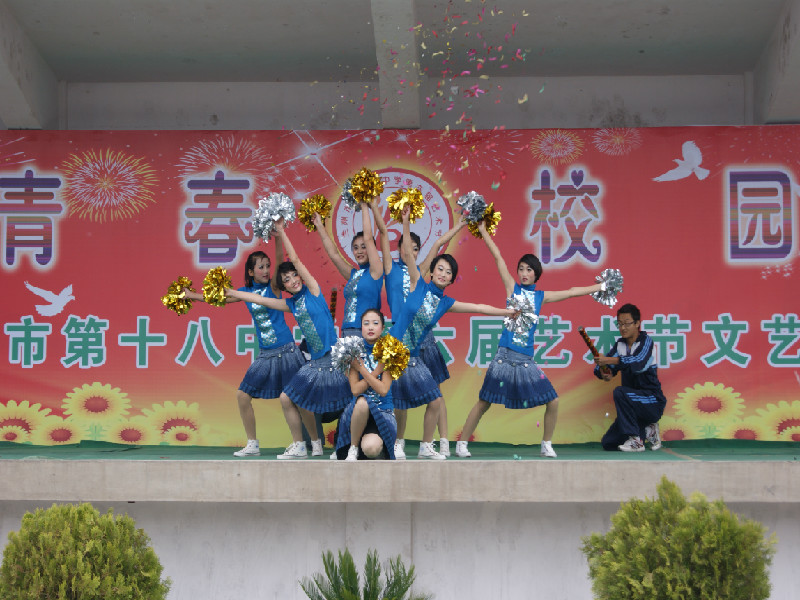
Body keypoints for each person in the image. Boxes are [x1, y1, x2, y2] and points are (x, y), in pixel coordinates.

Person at [457, 222, 606, 459]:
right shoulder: (512, 288)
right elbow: (498, 258)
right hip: (504, 357)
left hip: (526, 361)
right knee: (484, 402)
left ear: (536, 273)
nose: (524, 273)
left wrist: (600, 286)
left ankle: (546, 444)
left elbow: (571, 292)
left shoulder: (541, 296)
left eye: (529, 269)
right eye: (521, 269)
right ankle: (462, 443)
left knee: (553, 401)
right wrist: (483, 231)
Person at [226, 219, 352, 459]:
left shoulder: (313, 289)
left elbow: (295, 259)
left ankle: (348, 446)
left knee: (347, 401)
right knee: (288, 398)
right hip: (315, 364)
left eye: (295, 275)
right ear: (283, 286)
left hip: (334, 360)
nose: (293, 280)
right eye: (287, 279)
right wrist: (233, 293)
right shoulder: (290, 304)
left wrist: (282, 232)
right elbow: (260, 300)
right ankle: (306, 446)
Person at [389, 247, 517, 460]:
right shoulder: (417, 284)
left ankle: (425, 446)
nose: (443, 274)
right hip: (394, 351)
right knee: (396, 401)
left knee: (435, 400)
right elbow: (409, 255)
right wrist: (405, 226)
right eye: (440, 269)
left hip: (414, 356)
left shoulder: (446, 303)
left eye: (448, 272)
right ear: (431, 272)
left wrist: (507, 313)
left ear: (451, 280)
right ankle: (393, 444)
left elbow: (479, 308)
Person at [182, 246, 305, 457]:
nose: (266, 270)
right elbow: (218, 299)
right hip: (266, 354)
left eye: (268, 266)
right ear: (250, 271)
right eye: (261, 267)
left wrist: (277, 235)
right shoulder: (245, 292)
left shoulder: (274, 287)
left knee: (296, 398)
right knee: (242, 395)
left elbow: (278, 258)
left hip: (286, 350)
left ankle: (308, 443)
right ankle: (253, 444)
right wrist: (191, 295)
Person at [372, 202, 467, 457]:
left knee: (434, 392)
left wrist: (460, 225)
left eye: (415, 249)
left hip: (424, 339)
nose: (410, 252)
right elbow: (384, 234)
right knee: (399, 396)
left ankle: (441, 441)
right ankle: (398, 442)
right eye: (406, 247)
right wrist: (403, 220)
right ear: (399, 248)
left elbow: (439, 244)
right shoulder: (391, 268)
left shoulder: (423, 271)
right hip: (400, 337)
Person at [593, 303, 666, 452]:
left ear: (637, 323)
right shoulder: (620, 345)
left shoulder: (646, 342)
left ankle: (636, 440)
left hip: (652, 401)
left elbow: (638, 364)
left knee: (620, 392)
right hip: (632, 404)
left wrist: (608, 360)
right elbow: (608, 367)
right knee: (609, 443)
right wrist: (604, 371)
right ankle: (648, 430)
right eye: (620, 324)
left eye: (627, 323)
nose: (623, 328)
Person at [334, 308, 397, 461]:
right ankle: (353, 448)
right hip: (358, 413)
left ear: (382, 328)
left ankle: (377, 448)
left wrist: (362, 369)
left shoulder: (389, 350)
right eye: (366, 323)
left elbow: (383, 390)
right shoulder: (352, 351)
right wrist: (376, 371)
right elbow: (355, 390)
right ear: (361, 327)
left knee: (371, 449)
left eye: (375, 323)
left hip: (382, 411)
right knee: (362, 401)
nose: (370, 327)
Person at [313, 202, 383, 337]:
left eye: (364, 247)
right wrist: (319, 226)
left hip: (366, 333)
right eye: (355, 248)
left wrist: (364, 206)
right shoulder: (353, 274)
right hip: (346, 331)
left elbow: (368, 238)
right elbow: (334, 255)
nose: (359, 251)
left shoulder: (376, 272)